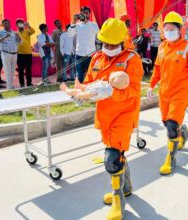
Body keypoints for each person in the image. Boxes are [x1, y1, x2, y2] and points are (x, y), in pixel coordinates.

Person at [72, 18, 143, 220]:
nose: (108, 47)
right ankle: (127, 186)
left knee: (111, 159)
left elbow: (134, 90)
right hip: (105, 116)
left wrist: (111, 91)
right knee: (118, 153)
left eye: (113, 44)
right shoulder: (97, 58)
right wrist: (82, 93)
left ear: (122, 41)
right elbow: (88, 82)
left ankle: (118, 199)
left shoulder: (132, 59)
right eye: (105, 43)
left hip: (124, 114)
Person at [147, 11, 188, 175]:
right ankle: (184, 133)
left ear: (179, 29)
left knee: (171, 126)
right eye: (166, 28)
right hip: (164, 93)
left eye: (171, 28)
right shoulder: (162, 47)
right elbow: (157, 69)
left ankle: (171, 158)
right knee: (167, 123)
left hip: (180, 93)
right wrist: (151, 85)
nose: (168, 31)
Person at [68, 6, 99, 83]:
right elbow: (70, 34)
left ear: (89, 14)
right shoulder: (77, 25)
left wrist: (86, 22)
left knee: (91, 74)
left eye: (86, 13)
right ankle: (79, 91)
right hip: (79, 54)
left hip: (91, 54)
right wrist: (73, 22)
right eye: (83, 13)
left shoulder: (93, 25)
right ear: (80, 14)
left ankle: (90, 91)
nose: (85, 15)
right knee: (79, 75)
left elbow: (99, 33)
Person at [0, 19, 21, 89]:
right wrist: (5, 36)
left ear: (10, 24)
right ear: (3, 25)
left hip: (14, 53)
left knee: (12, 70)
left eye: (7, 23)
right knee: (7, 70)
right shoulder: (0, 32)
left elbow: (19, 43)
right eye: (5, 24)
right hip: (5, 53)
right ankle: (9, 86)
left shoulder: (14, 32)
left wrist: (18, 37)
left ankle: (11, 85)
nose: (6, 25)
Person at [16, 19, 35, 87]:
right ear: (16, 25)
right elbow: (17, 42)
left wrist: (28, 26)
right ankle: (22, 83)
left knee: (28, 69)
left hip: (28, 53)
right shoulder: (15, 33)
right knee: (20, 69)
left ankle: (29, 82)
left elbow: (33, 31)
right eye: (19, 24)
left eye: (22, 23)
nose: (20, 25)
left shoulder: (27, 31)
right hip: (20, 53)